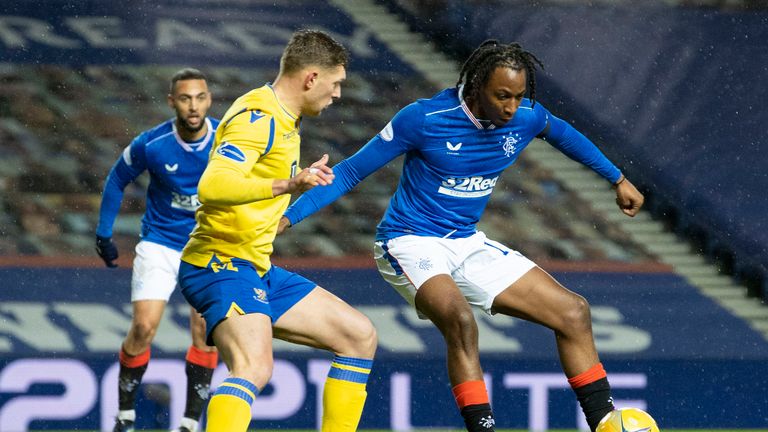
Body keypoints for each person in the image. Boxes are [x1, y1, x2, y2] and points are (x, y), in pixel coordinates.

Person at [281, 40, 645, 432]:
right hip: (408, 241)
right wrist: (287, 219)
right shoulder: (423, 118)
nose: (511, 106)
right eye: (502, 95)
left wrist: (617, 178)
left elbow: (563, 133)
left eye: (519, 96)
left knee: (574, 312)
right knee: (460, 320)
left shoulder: (525, 117)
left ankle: (605, 422)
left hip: (466, 242)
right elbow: (351, 172)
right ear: (475, 88)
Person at [177, 29, 377, 432]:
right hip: (219, 265)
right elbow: (212, 186)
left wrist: (281, 214)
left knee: (359, 335)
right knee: (254, 367)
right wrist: (287, 185)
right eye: (335, 84)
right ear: (311, 79)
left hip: (254, 266)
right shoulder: (259, 117)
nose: (338, 94)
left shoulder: (285, 118)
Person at [95, 68, 220, 432]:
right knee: (144, 328)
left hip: (207, 244)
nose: (193, 106)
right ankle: (125, 416)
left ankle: (189, 423)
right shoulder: (152, 144)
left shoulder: (229, 140)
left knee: (204, 331)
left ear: (209, 99)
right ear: (172, 102)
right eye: (185, 98)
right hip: (160, 243)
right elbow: (117, 178)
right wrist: (104, 233)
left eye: (200, 97)